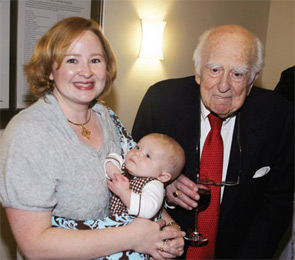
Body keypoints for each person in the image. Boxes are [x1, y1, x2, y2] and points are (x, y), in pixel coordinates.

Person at [0, 16, 185, 260]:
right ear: (49, 70)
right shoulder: (28, 133)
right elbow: (36, 246)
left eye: (95, 60)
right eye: (72, 60)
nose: (86, 71)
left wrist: (169, 232)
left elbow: (142, 179)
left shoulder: (106, 117)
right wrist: (134, 237)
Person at [132, 24, 294, 259]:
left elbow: (277, 204)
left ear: (252, 80)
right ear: (198, 71)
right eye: (215, 69)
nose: (224, 86)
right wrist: (161, 186)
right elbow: (130, 170)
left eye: (237, 74)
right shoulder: (160, 102)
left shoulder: (279, 115)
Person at [105, 133, 185, 219]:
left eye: (148, 156)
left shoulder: (153, 185)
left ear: (162, 176)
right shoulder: (125, 166)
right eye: (138, 147)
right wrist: (116, 174)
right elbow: (110, 159)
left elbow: (148, 210)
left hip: (139, 229)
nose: (137, 153)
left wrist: (124, 192)